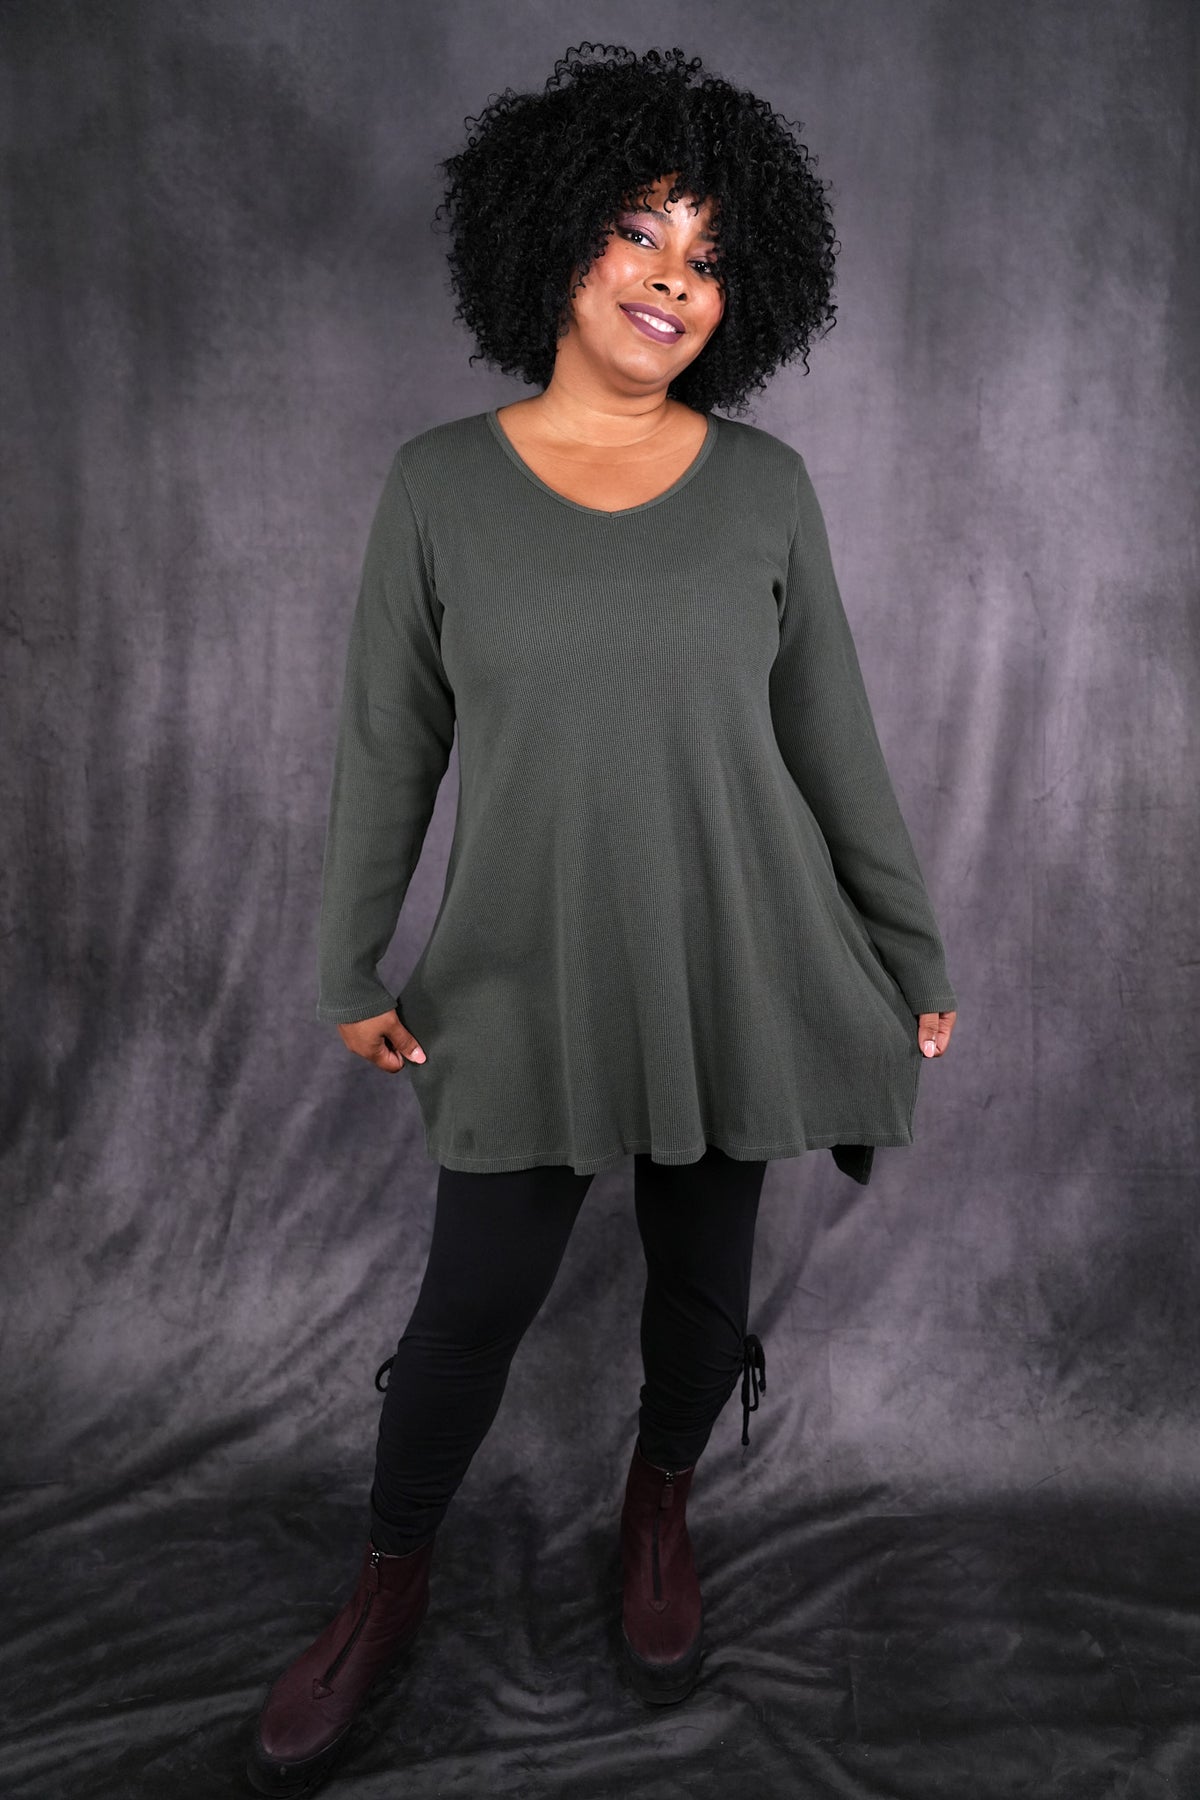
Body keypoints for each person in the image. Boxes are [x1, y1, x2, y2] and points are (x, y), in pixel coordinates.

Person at [246, 41, 958, 1796]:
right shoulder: (437, 485)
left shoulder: (766, 491)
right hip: (524, 972)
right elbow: (389, 747)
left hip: (736, 957)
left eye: (709, 256)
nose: (672, 278)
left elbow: (835, 746)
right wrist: (348, 960)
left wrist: (909, 952)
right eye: (641, 229)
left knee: (703, 1290)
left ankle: (659, 1510)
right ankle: (387, 1585)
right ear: (554, 237)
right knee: (465, 1314)